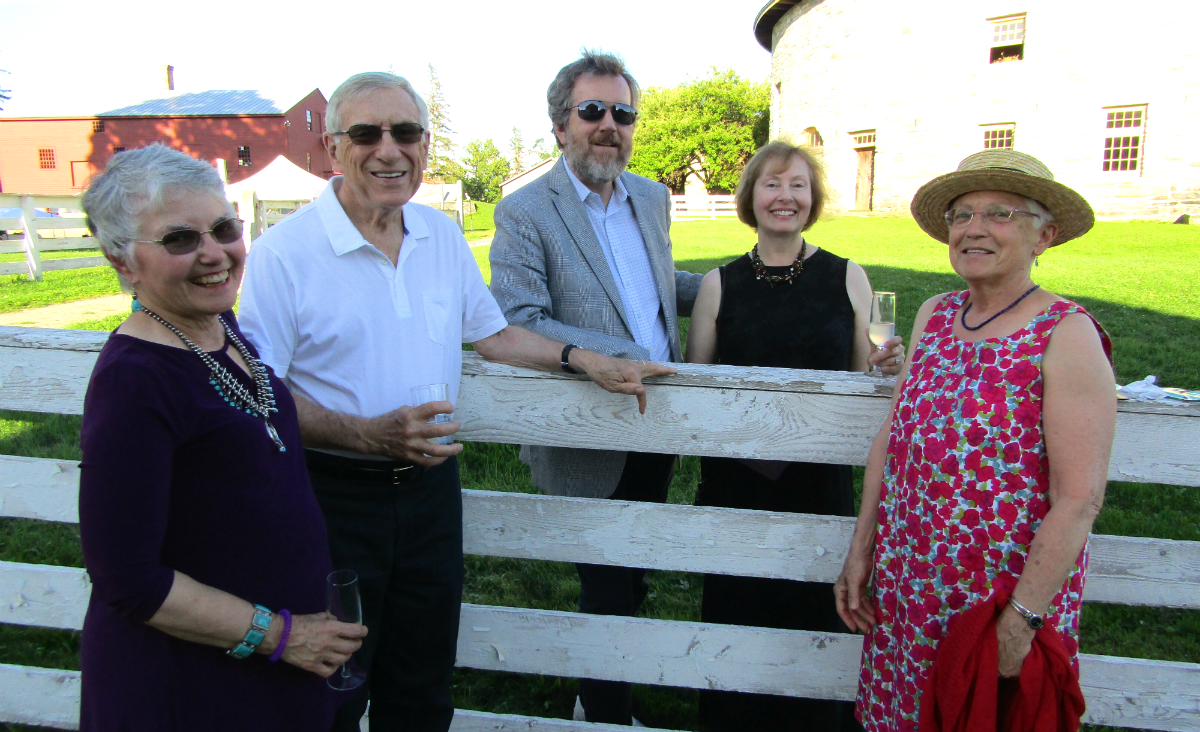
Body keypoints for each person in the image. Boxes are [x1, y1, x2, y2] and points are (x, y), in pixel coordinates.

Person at [238, 71, 672, 732]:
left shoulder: (438, 238)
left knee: (422, 682)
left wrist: (583, 358)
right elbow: (259, 393)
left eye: (406, 132)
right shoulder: (282, 256)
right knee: (332, 684)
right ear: (333, 149)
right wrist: (362, 434)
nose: (390, 150)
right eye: (367, 133)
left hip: (432, 492)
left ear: (425, 144)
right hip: (333, 498)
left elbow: (494, 335)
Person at [77, 144, 367, 732]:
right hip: (192, 686)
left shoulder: (220, 328)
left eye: (223, 229)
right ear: (123, 261)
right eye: (180, 239)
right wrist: (281, 635)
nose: (214, 254)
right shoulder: (135, 382)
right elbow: (127, 578)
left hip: (280, 668)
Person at [834, 150, 1116, 730]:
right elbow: (896, 438)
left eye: (1000, 214)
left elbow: (1079, 498)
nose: (974, 229)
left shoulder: (1066, 333)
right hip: (909, 590)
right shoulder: (935, 316)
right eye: (961, 215)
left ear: (1045, 235)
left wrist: (1022, 618)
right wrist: (862, 547)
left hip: (994, 607)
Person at [489, 51, 705, 727]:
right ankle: (606, 712)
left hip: (654, 420)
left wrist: (756, 286)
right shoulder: (525, 211)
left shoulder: (651, 196)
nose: (609, 124)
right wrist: (600, 356)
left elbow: (664, 290)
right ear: (561, 125)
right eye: (592, 111)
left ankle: (598, 689)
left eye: (623, 112)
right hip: (582, 428)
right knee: (605, 580)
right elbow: (515, 320)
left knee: (634, 569)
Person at [685, 140, 903, 731]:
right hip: (739, 486)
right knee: (739, 622)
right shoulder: (718, 285)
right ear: (752, 198)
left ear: (813, 200)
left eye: (799, 186)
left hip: (820, 484)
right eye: (773, 185)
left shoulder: (848, 277)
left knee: (816, 623)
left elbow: (871, 369)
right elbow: (697, 389)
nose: (786, 197)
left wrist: (888, 363)